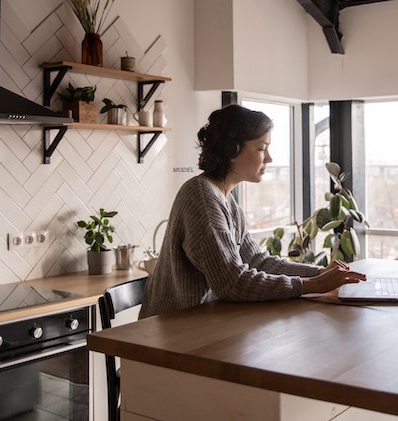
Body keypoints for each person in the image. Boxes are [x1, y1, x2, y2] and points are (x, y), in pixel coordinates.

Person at [140, 104, 366, 318]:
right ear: (232, 150)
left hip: (201, 323)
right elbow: (232, 282)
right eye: (261, 148)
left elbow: (258, 261)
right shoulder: (202, 198)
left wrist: (319, 273)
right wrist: (313, 285)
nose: (269, 158)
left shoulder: (225, 200)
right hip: (168, 334)